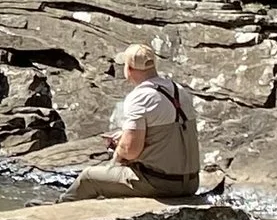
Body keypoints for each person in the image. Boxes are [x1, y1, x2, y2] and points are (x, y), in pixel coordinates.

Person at [71, 41, 202, 199]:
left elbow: (130, 151)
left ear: (129, 69)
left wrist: (118, 148)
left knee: (88, 178)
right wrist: (126, 135)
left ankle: (58, 214)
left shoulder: (140, 97)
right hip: (191, 184)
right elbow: (166, 135)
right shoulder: (180, 91)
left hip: (159, 184)